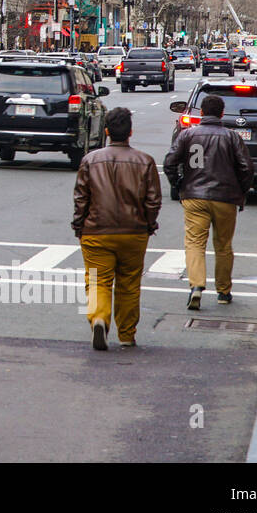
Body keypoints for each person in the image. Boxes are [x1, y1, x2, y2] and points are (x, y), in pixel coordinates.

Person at [72, 107, 160, 350]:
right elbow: (153, 201)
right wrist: (148, 224)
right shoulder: (145, 161)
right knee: (129, 284)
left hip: (96, 232)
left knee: (97, 281)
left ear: (107, 131)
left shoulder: (90, 160)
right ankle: (127, 334)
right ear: (130, 132)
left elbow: (81, 198)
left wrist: (79, 225)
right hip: (134, 232)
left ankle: (99, 317)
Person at [164, 94, 255, 310]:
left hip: (194, 195)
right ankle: (223, 290)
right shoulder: (232, 137)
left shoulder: (188, 135)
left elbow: (170, 162)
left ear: (202, 113)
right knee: (223, 245)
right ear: (222, 114)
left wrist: (179, 184)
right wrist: (240, 191)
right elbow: (246, 168)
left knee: (195, 243)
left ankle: (196, 285)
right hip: (225, 197)